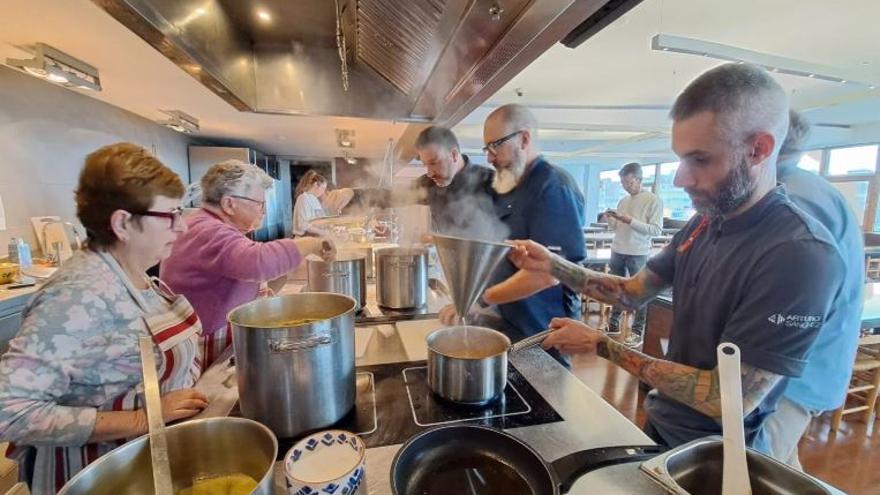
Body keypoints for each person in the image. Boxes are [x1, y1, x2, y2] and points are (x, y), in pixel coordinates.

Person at [503, 63, 845, 453]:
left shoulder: (799, 255)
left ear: (759, 150)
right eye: (681, 158)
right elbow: (631, 293)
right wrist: (552, 264)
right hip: (665, 427)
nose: (681, 178)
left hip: (720, 456)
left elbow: (727, 398)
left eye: (700, 160)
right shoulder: (704, 223)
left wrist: (601, 344)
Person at [0, 143, 208, 492]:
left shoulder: (133, 273)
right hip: (97, 475)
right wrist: (143, 418)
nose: (182, 227)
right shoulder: (78, 294)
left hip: (142, 462)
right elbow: (11, 409)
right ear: (123, 223)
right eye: (170, 215)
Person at [762, 110, 863, 469]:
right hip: (804, 367)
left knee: (754, 466)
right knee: (783, 466)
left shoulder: (793, 199)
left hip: (790, 373)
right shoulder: (808, 188)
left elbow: (784, 297)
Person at [441, 104, 587, 352]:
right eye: (486, 148)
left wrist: (479, 298)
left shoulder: (553, 187)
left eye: (495, 145)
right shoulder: (511, 186)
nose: (488, 157)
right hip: (508, 324)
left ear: (524, 139)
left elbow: (547, 274)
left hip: (541, 332)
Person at [161, 160, 333, 368]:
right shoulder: (208, 230)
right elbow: (257, 262)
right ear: (229, 204)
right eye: (259, 204)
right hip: (210, 345)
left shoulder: (206, 224)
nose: (264, 211)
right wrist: (312, 244)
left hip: (220, 333)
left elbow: (237, 269)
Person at [604, 162, 663, 341]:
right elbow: (616, 228)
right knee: (617, 289)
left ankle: (637, 331)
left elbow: (656, 230)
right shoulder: (623, 201)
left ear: (639, 180)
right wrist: (611, 219)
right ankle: (613, 324)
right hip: (618, 249)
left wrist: (631, 221)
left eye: (628, 183)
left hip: (638, 251)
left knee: (640, 291)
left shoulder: (653, 200)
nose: (625, 186)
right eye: (623, 183)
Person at [412, 126, 497, 238]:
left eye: (433, 163)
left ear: (453, 155)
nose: (430, 173)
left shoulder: (492, 182)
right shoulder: (429, 183)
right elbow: (391, 196)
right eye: (425, 165)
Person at [293, 170, 330, 236]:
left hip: (312, 237)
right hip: (303, 239)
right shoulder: (303, 198)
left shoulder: (314, 199)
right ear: (316, 185)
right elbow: (302, 225)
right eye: (323, 188)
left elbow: (320, 218)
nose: (323, 192)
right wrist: (323, 232)